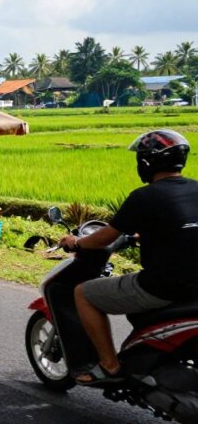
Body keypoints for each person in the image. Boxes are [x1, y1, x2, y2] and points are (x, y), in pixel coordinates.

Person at [57, 129, 197, 386]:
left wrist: (77, 242)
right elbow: (181, 228)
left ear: (146, 163)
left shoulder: (143, 197)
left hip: (163, 287)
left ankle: (110, 366)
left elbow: (104, 238)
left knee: (83, 294)